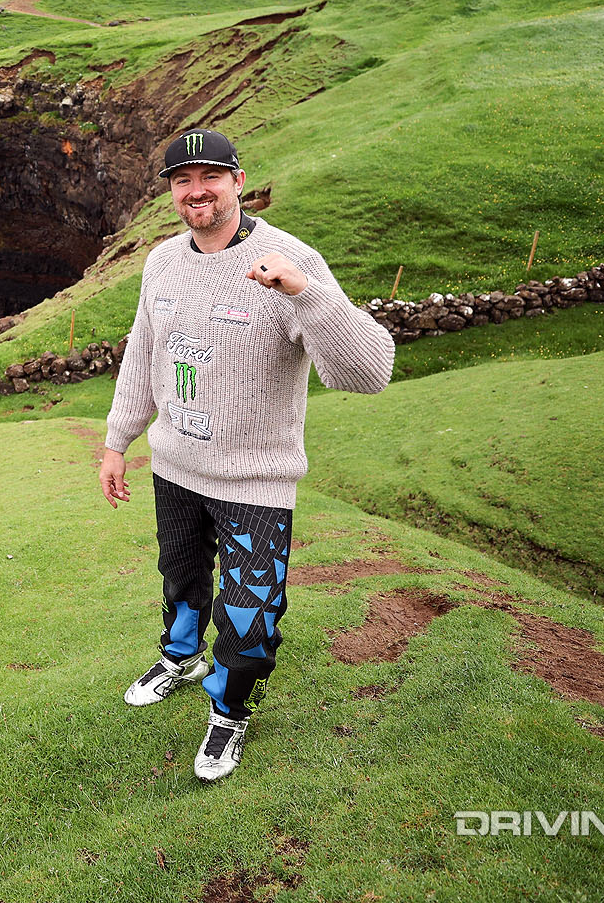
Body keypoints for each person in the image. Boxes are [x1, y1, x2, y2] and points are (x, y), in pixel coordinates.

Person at [97, 127, 395, 781]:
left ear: (237, 180)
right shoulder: (163, 262)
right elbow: (144, 354)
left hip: (255, 484)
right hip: (175, 469)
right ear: (172, 192)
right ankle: (182, 658)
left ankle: (229, 711)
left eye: (210, 177)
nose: (195, 190)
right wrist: (119, 440)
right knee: (180, 581)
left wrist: (305, 293)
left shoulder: (291, 259)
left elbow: (370, 372)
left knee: (250, 617)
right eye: (182, 180)